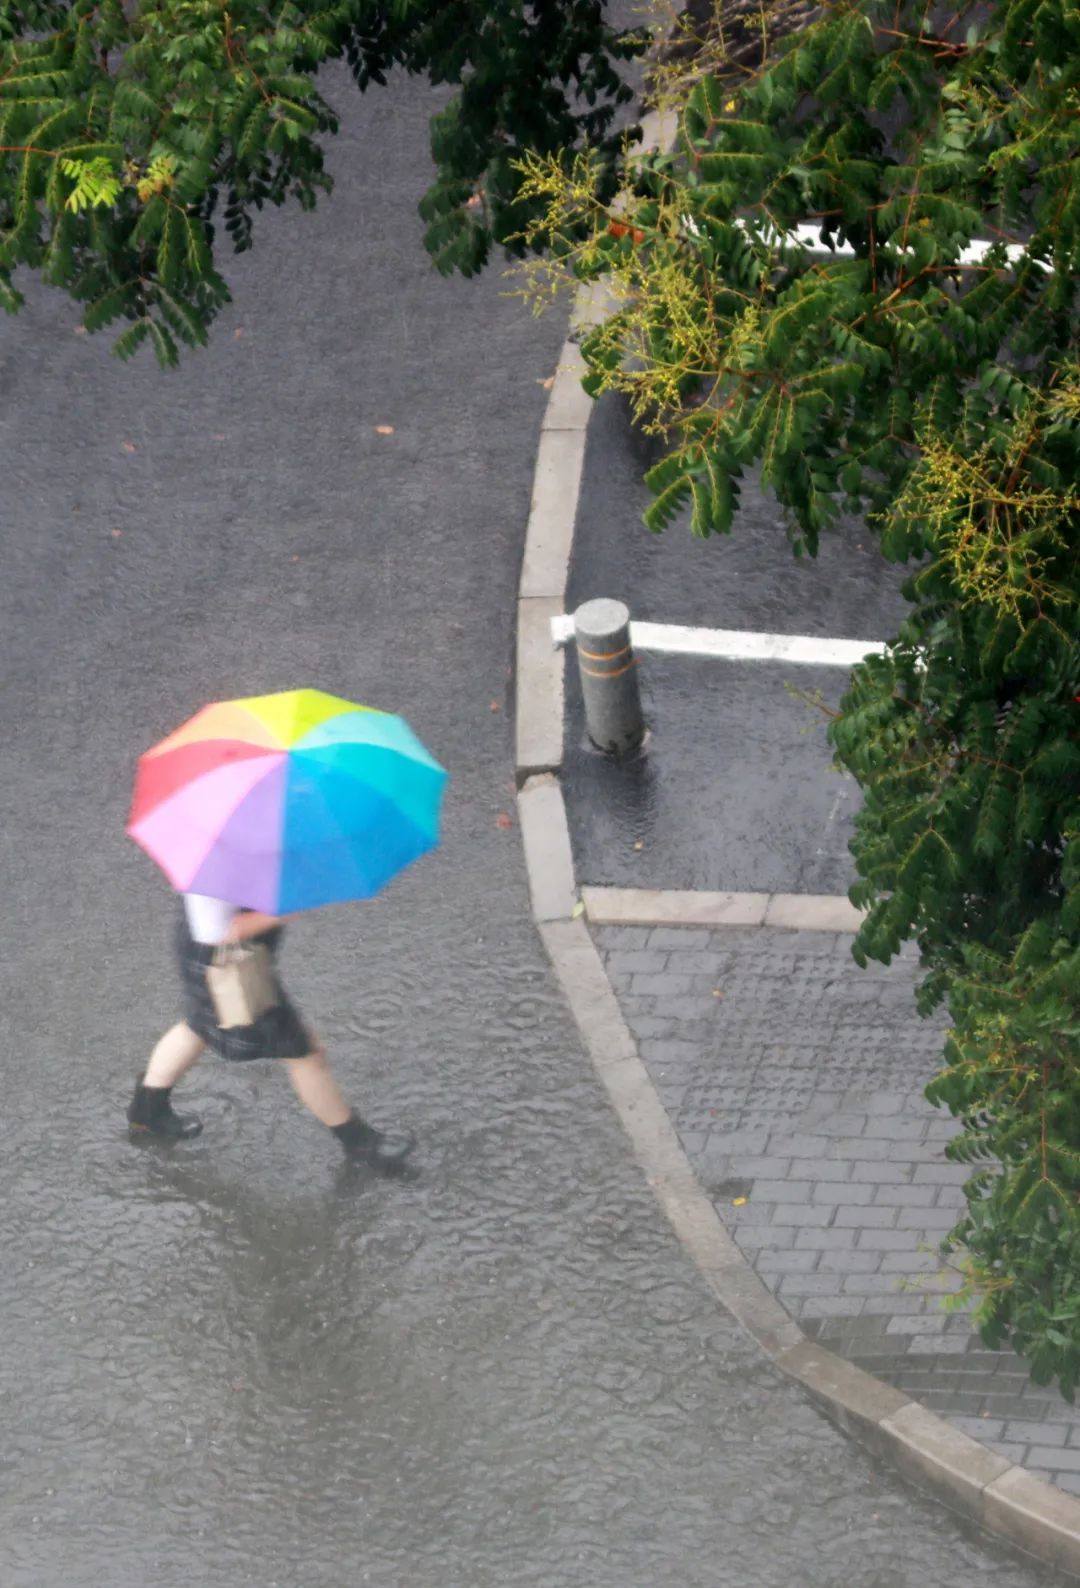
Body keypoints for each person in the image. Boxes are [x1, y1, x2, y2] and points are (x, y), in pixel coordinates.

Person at [126, 892, 414, 1171]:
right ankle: (360, 1144)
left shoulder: (227, 853)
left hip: (219, 954)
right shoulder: (216, 866)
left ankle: (148, 1109)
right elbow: (217, 932)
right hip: (227, 964)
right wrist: (280, 913)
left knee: (198, 1025)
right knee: (303, 1051)